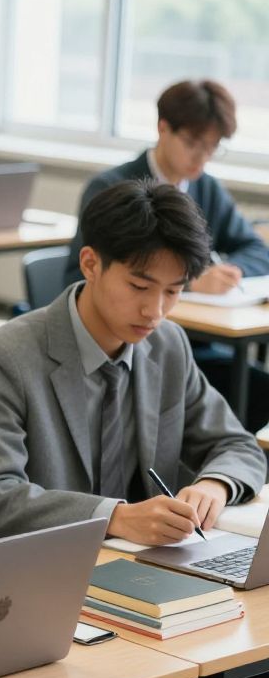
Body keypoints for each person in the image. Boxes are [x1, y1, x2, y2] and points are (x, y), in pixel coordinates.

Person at [0, 179, 268, 678]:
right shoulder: (5, 357)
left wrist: (213, 484)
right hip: (43, 603)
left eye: (174, 291)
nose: (155, 310)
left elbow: (237, 444)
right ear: (91, 263)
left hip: (148, 591)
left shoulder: (167, 345)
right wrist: (119, 517)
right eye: (140, 286)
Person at [64, 79, 269, 428]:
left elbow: (256, 249)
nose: (201, 158)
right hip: (128, 345)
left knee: (256, 394)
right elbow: (75, 279)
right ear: (163, 128)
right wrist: (190, 282)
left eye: (212, 148)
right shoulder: (113, 189)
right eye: (192, 144)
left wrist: (228, 271)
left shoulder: (206, 188)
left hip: (190, 345)